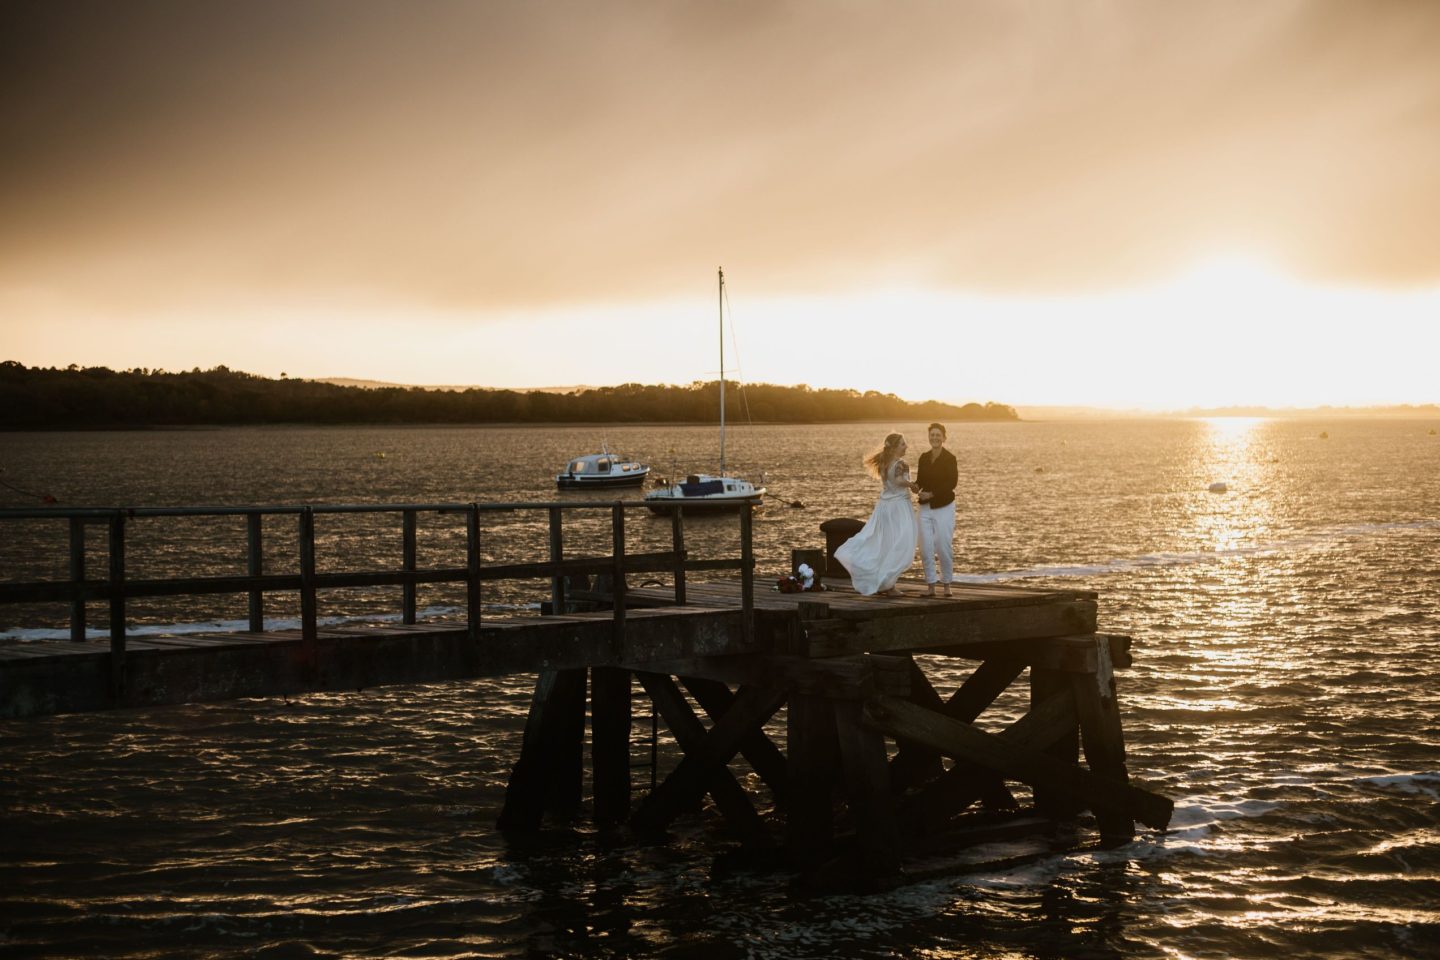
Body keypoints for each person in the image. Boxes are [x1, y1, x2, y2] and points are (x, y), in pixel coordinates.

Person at [834, 432, 918, 596]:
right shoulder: (901, 464)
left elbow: (890, 482)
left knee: (885, 544)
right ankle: (889, 586)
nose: (906, 446)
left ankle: (883, 583)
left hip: (885, 508)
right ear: (894, 448)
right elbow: (898, 481)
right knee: (901, 544)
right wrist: (912, 485)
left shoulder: (884, 464)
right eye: (903, 444)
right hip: (899, 508)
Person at [912, 422, 957, 597]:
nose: (935, 438)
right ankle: (931, 585)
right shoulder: (923, 457)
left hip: (944, 506)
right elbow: (920, 480)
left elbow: (952, 483)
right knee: (925, 548)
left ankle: (946, 584)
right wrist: (913, 485)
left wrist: (931, 494)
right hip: (924, 508)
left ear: (944, 438)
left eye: (938, 435)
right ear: (929, 437)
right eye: (932, 435)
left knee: (943, 546)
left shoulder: (949, 458)